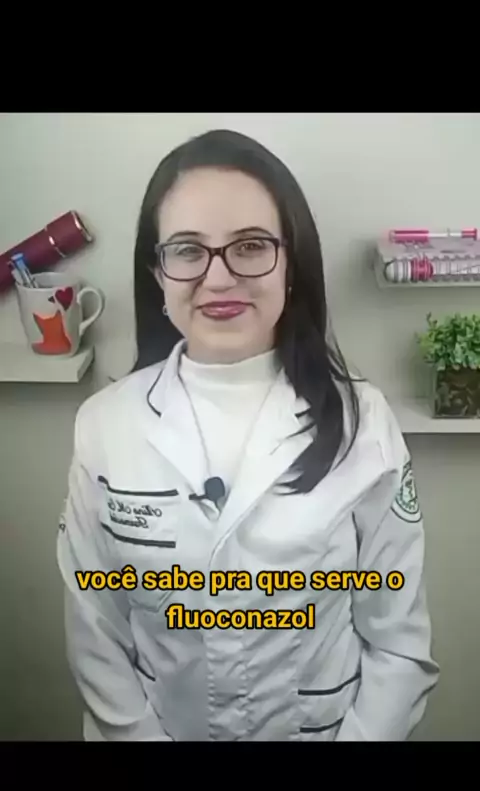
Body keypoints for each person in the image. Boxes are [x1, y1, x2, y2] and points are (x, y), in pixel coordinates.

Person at [57, 128, 439, 741]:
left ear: (292, 265)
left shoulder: (363, 423)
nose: (218, 277)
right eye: (188, 249)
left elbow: (398, 645)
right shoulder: (105, 426)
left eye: (251, 246)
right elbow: (96, 636)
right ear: (157, 272)